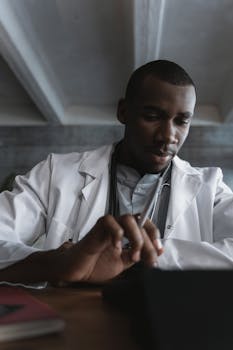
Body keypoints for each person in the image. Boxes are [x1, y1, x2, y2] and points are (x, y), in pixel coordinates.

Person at [0, 59, 233, 287]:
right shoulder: (55, 173)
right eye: (152, 117)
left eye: (182, 121)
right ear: (123, 111)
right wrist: (58, 263)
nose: (168, 136)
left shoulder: (211, 187)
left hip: (173, 324)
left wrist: (147, 255)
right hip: (77, 323)